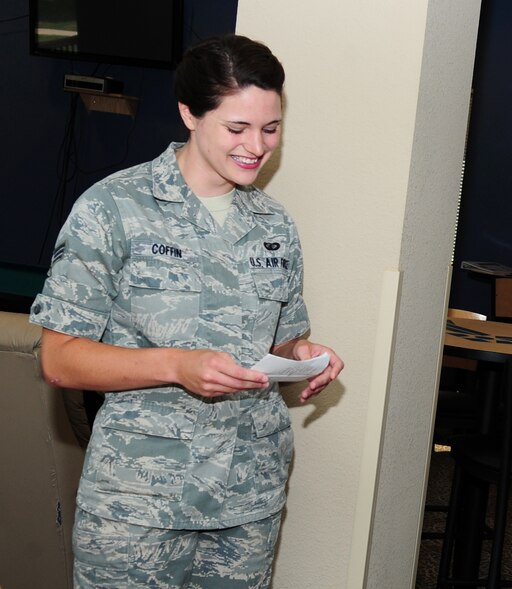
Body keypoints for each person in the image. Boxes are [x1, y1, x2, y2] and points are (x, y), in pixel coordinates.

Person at [29, 34, 343, 589]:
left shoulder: (274, 225)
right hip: (139, 507)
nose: (257, 145)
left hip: (248, 500)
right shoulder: (113, 209)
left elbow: (279, 342)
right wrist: (176, 365)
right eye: (237, 128)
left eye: (270, 129)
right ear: (189, 114)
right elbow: (60, 359)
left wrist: (302, 354)